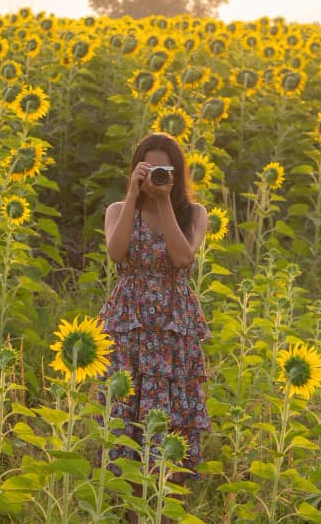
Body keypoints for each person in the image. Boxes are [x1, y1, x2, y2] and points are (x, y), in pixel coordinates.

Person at [99, 132, 211, 514]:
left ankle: (166, 515)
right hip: (127, 326)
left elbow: (182, 260)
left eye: (166, 170)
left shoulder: (193, 215)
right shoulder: (118, 208)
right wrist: (133, 195)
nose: (158, 177)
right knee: (126, 423)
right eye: (150, 169)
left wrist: (164, 202)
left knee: (173, 424)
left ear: (177, 174)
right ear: (137, 170)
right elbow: (117, 253)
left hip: (172, 329)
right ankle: (132, 514)